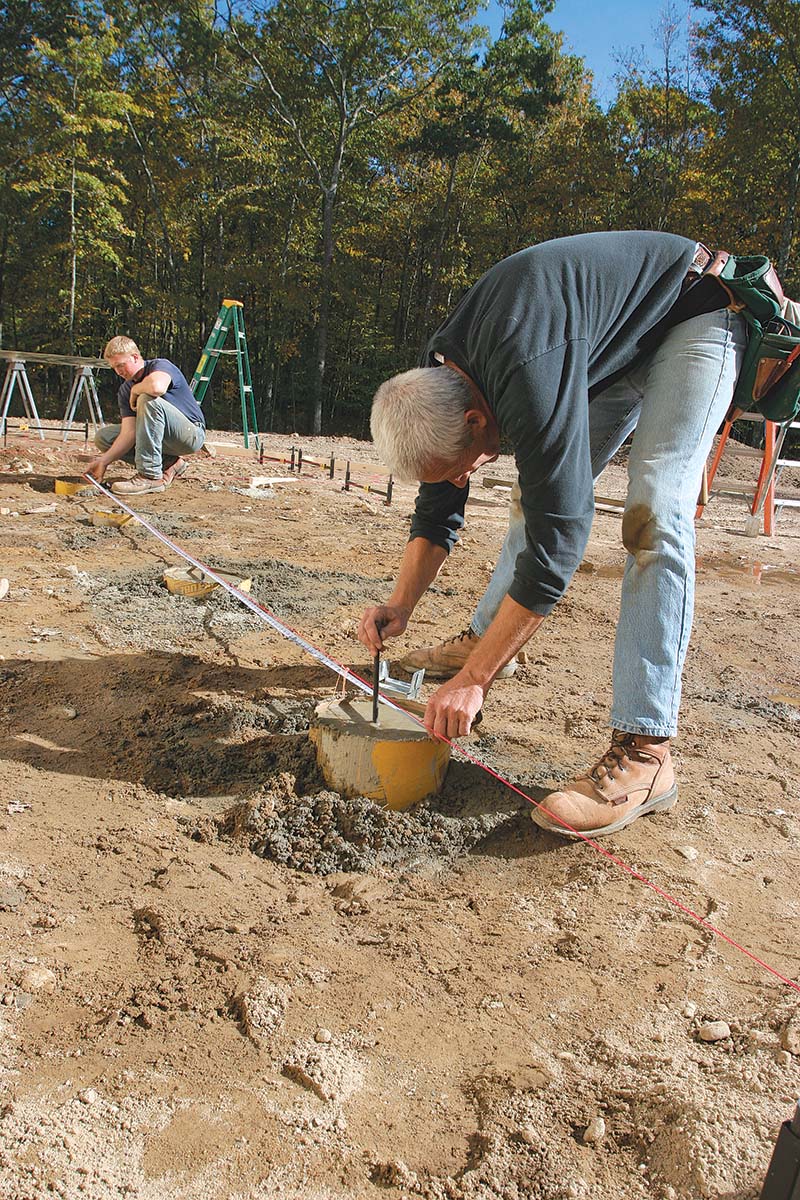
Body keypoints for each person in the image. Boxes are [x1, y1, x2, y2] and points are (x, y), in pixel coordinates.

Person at [357, 231, 747, 839]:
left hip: (698, 313)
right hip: (615, 343)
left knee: (653, 514)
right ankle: (484, 641)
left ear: (476, 419)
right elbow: (441, 496)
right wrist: (400, 603)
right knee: (530, 494)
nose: (461, 478)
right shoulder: (448, 373)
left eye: (461, 465)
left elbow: (560, 539)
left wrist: (473, 684)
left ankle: (647, 751)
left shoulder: (525, 374)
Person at [86, 336, 208, 496]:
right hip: (161, 439)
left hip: (190, 434)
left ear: (135, 357)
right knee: (104, 437)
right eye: (114, 367)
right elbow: (129, 433)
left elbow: (157, 387)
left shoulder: (160, 366)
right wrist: (103, 461)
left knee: (147, 398)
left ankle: (149, 476)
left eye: (121, 365)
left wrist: (136, 390)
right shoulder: (125, 389)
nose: (119, 371)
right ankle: (170, 463)